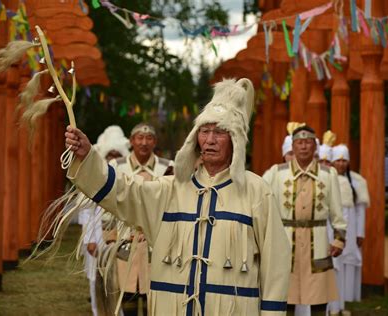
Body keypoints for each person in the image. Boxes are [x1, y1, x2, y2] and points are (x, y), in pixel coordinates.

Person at [64, 78, 291, 315]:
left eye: (220, 132)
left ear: (236, 140)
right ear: (195, 138)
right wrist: (89, 156)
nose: (210, 140)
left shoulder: (257, 191)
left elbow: (276, 261)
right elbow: (126, 192)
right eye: (205, 131)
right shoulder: (170, 190)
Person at [262, 125, 346, 316]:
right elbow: (260, 201)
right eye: (299, 142)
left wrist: (339, 238)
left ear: (315, 146)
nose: (304, 147)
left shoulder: (328, 174)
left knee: (319, 295)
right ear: (293, 145)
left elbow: (336, 211)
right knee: (286, 295)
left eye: (308, 142)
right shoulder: (277, 173)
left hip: (318, 241)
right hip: (285, 240)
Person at [113, 123, 172, 315]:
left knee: (154, 297)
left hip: (157, 242)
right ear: (131, 141)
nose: (144, 142)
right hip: (125, 240)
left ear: (155, 142)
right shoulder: (117, 166)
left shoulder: (169, 168)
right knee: (127, 291)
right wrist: (109, 237)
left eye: (148, 139)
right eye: (139, 138)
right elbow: (107, 205)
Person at [79, 125, 130, 316]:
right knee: (97, 279)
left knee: (120, 279)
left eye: (117, 153)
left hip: (121, 238)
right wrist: (90, 239)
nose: (113, 157)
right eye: (111, 153)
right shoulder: (93, 175)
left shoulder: (125, 175)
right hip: (97, 238)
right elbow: (86, 211)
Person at [327, 144, 369, 315]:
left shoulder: (357, 181)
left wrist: (360, 232)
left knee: (345, 264)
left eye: (345, 160)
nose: (341, 164)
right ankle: (330, 306)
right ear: (332, 162)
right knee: (332, 265)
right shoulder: (327, 178)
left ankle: (342, 305)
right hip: (330, 228)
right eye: (338, 160)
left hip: (350, 231)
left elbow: (360, 210)